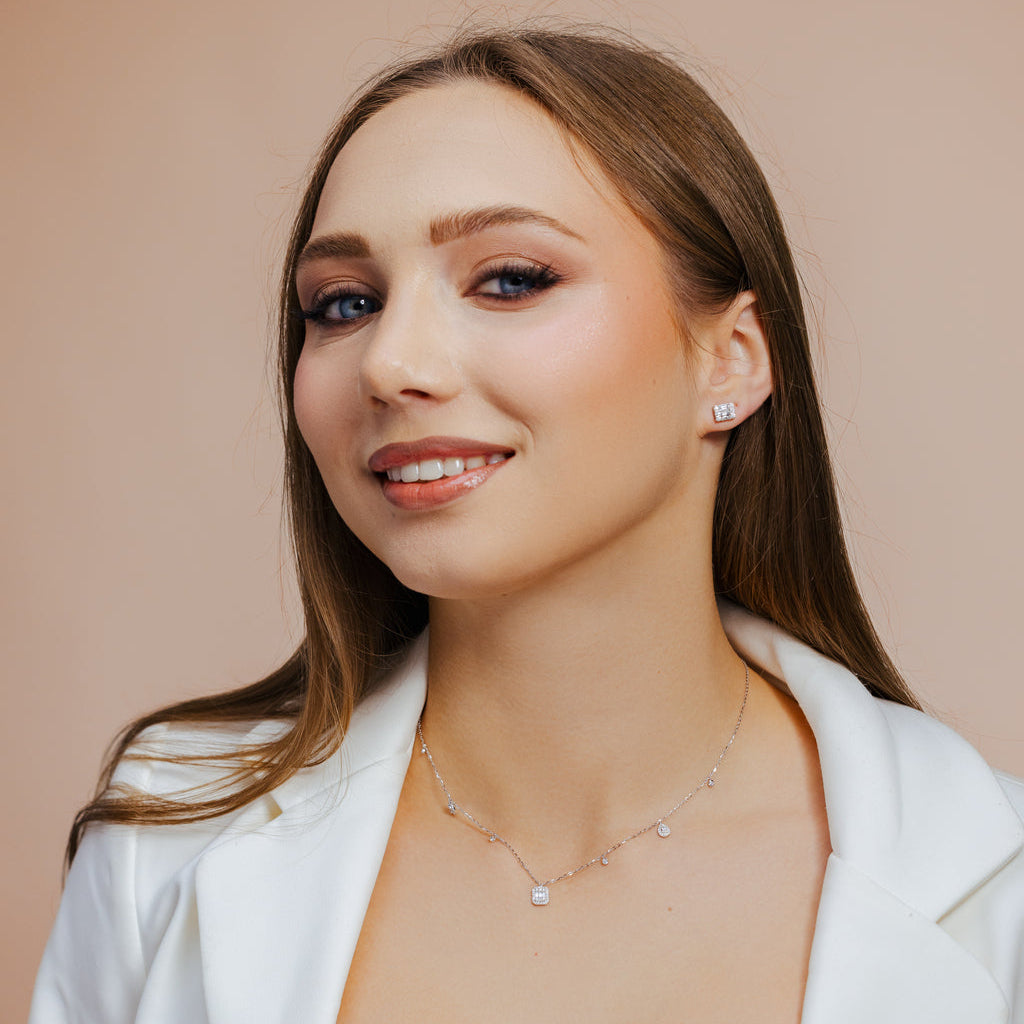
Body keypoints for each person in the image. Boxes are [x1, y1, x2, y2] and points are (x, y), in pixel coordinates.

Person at [29, 25, 1024, 1024]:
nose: (387, 363)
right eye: (343, 303)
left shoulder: (998, 890)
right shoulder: (165, 839)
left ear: (731, 359)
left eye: (509, 278)